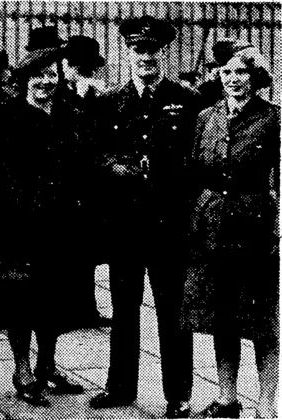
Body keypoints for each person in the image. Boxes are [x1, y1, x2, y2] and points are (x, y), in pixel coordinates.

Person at [90, 16, 201, 418]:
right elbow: (95, 153)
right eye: (138, 50)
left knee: (172, 311)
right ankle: (119, 386)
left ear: (164, 52)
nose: (146, 58)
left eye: (152, 50)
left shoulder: (187, 101)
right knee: (124, 309)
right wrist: (115, 167)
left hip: (168, 225)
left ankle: (178, 394)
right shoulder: (111, 101)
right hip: (125, 225)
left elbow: (195, 159)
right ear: (128, 53)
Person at [0, 26, 87, 406]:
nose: (46, 82)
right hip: (22, 225)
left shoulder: (68, 114)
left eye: (52, 75)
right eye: (39, 75)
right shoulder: (8, 116)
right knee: (22, 297)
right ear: (26, 78)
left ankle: (47, 364)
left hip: (62, 223)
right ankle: (23, 367)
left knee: (55, 296)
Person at [190, 41, 280, 418]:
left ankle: (266, 403)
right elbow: (195, 169)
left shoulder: (274, 118)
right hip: (212, 228)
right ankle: (226, 397)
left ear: (255, 77)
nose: (233, 80)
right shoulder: (206, 117)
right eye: (227, 72)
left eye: (241, 72)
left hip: (255, 226)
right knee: (220, 316)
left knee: (261, 319)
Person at [60, 35, 111, 328]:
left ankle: (85, 307)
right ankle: (77, 307)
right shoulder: (66, 94)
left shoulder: (95, 94)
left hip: (89, 184)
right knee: (76, 251)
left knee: (85, 252)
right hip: (72, 183)